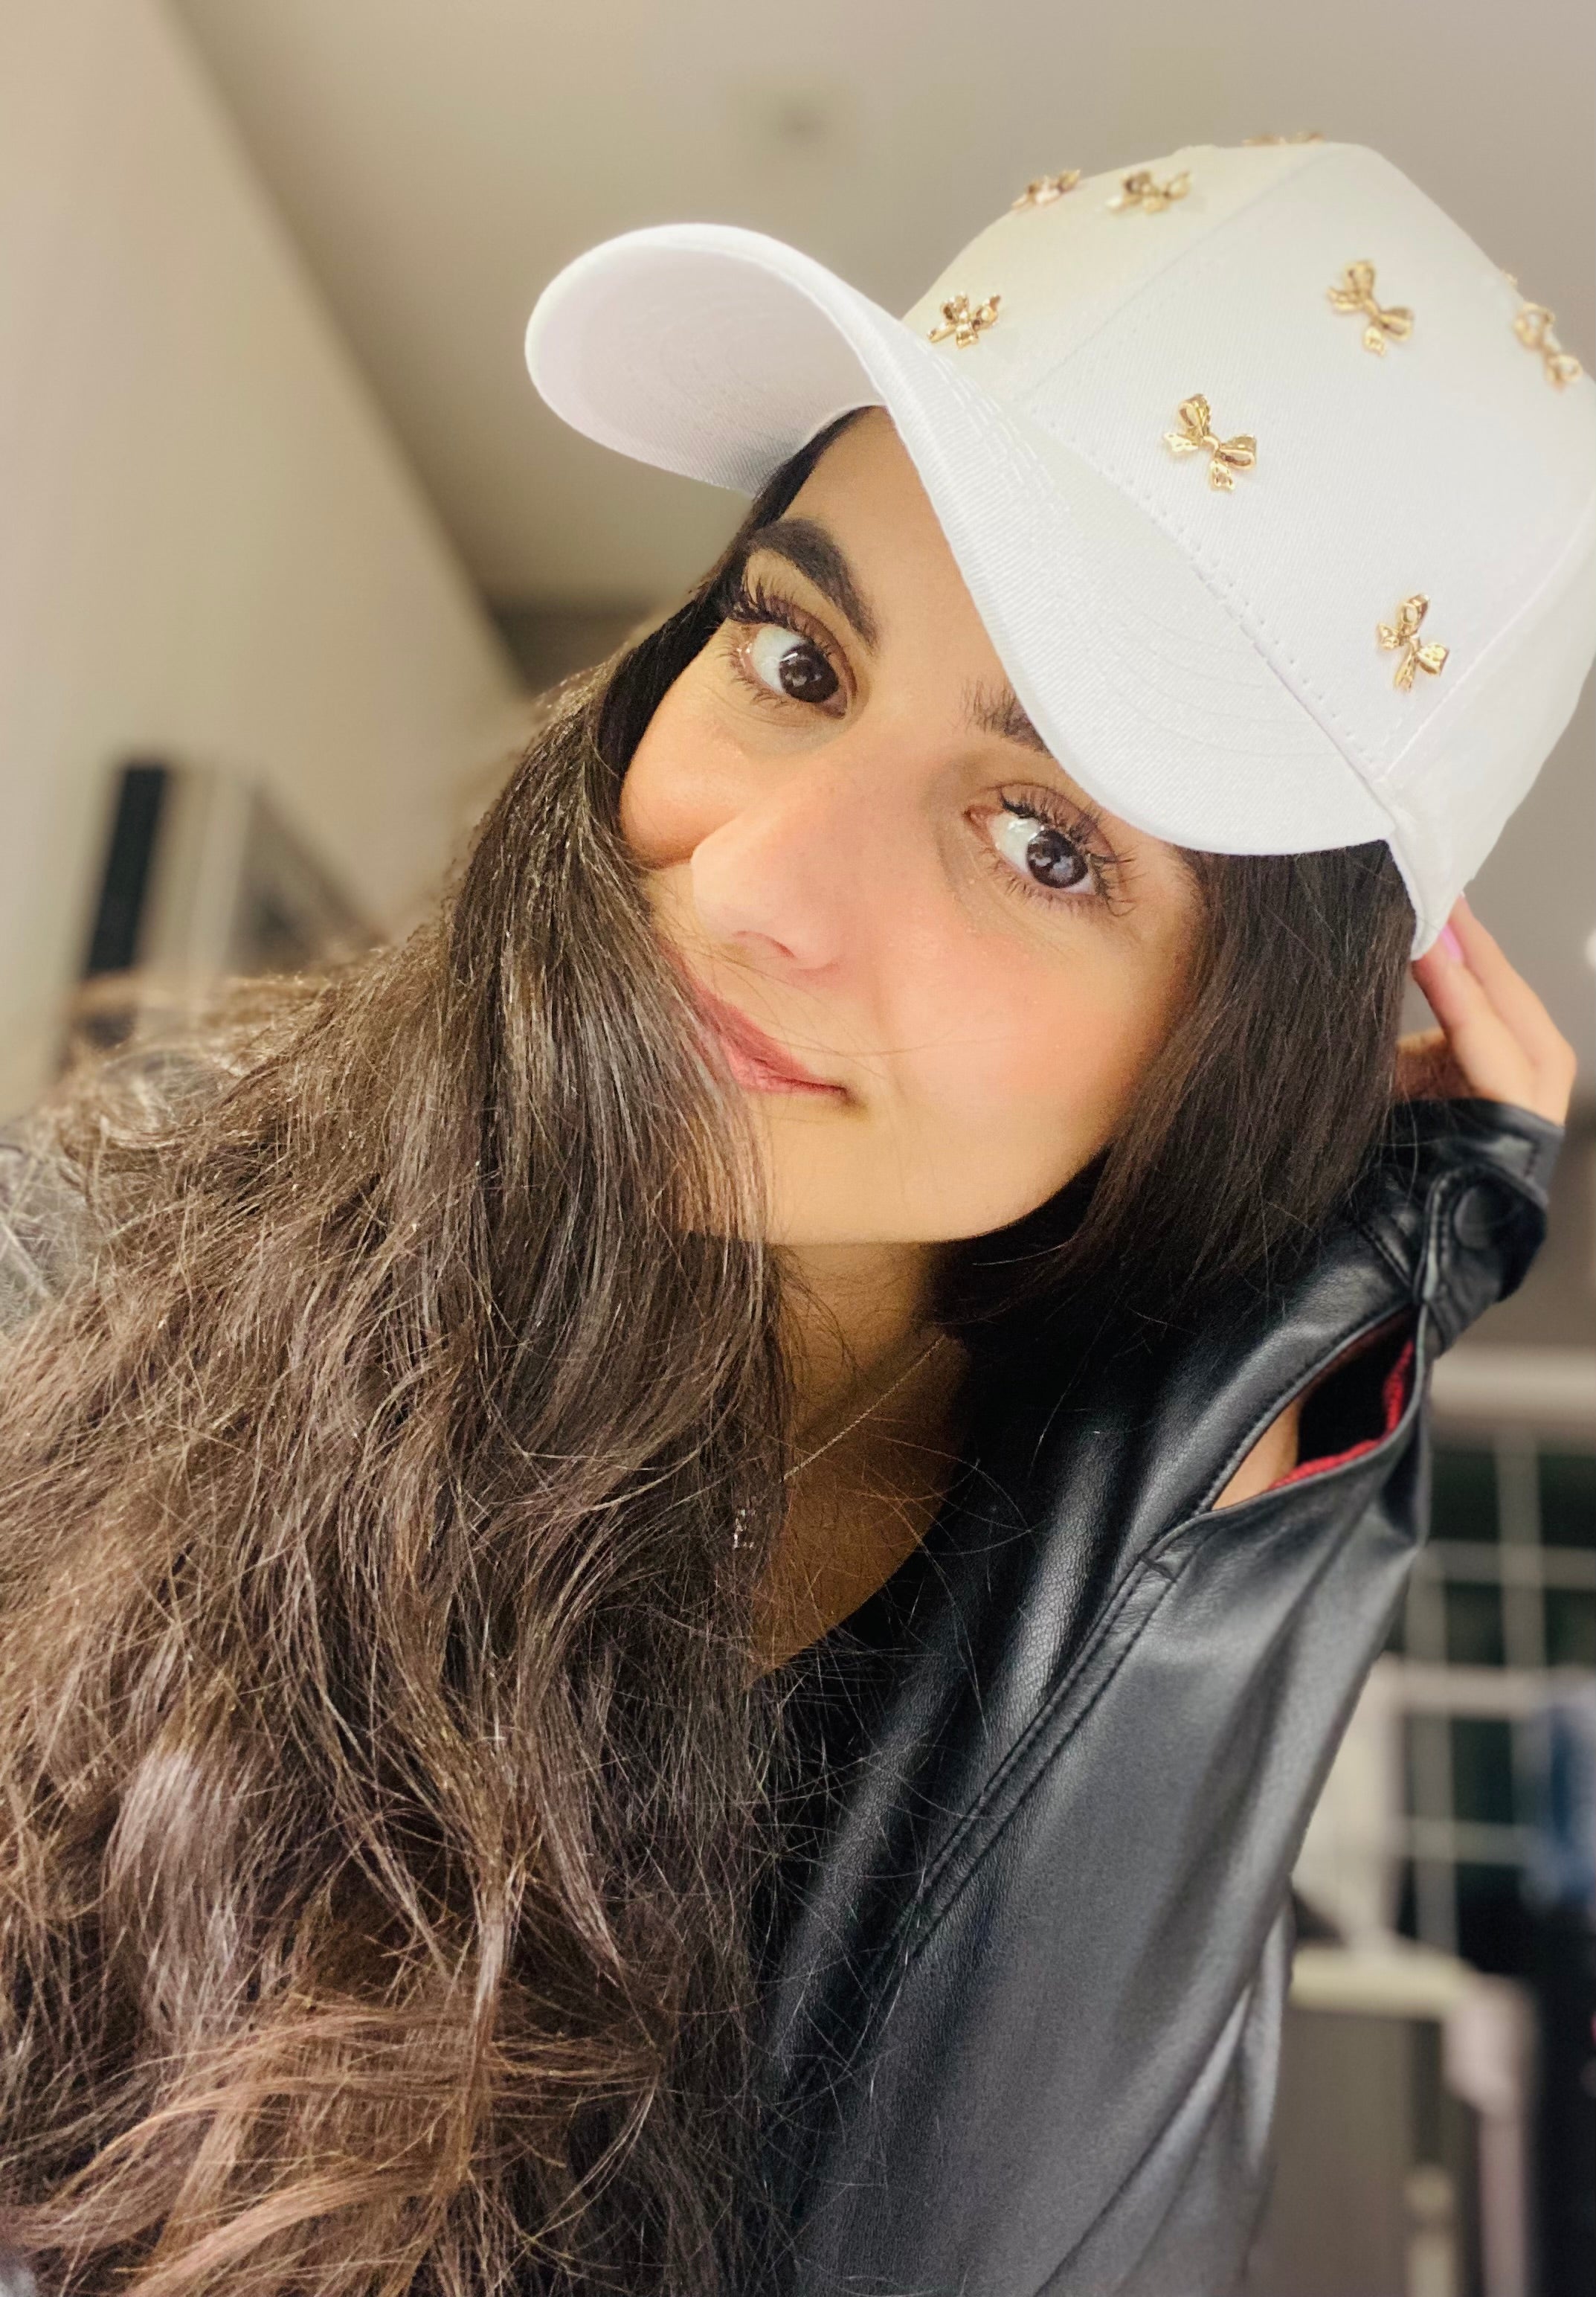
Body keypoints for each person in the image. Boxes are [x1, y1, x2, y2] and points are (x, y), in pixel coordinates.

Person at [0, 137, 1587, 2297]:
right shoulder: (113, 1267)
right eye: (799, 659)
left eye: (1044, 841)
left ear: (1243, 1055)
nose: (745, 883)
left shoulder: (1056, 1645)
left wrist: (1312, 1358)